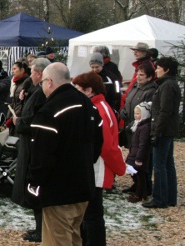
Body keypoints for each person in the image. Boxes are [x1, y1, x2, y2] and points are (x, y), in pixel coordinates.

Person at [27, 63, 102, 246]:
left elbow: (41, 154)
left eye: (43, 82)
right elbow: (97, 142)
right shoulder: (88, 105)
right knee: (74, 237)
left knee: (57, 240)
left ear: (50, 82)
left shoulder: (50, 111)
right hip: (83, 185)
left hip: (58, 190)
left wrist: (33, 183)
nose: (41, 86)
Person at [72, 71, 127, 246]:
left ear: (89, 90)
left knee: (92, 214)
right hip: (94, 165)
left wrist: (119, 167)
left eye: (78, 88)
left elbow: (106, 145)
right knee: (89, 214)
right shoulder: (97, 106)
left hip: (97, 167)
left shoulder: (98, 109)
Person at [10, 58, 50, 243]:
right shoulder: (35, 90)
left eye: (33, 72)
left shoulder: (42, 94)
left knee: (36, 189)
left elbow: (36, 119)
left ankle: (42, 230)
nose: (30, 75)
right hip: (28, 142)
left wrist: (21, 122)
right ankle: (39, 227)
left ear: (40, 73)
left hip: (33, 144)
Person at [144, 57, 180, 209]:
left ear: (166, 70)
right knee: (167, 163)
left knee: (160, 165)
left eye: (158, 67)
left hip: (163, 130)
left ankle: (160, 198)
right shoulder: (170, 84)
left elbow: (165, 111)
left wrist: (156, 132)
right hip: (168, 129)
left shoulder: (166, 86)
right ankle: (170, 197)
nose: (156, 70)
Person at [120, 62, 157, 146]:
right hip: (130, 128)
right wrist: (123, 111)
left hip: (140, 130)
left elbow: (147, 114)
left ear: (149, 77)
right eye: (137, 74)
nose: (138, 77)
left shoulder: (151, 92)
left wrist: (134, 124)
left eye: (141, 75)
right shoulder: (134, 88)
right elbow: (127, 102)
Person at [120, 43, 155, 126]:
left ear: (145, 52)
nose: (135, 53)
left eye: (138, 51)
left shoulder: (146, 66)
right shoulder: (141, 64)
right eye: (134, 51)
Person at [125, 102, 152, 203]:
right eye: (135, 114)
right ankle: (140, 192)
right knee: (134, 174)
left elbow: (143, 144)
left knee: (139, 176)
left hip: (138, 155)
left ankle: (139, 194)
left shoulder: (144, 127)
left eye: (138, 114)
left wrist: (139, 158)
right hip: (134, 153)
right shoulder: (138, 125)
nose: (136, 116)